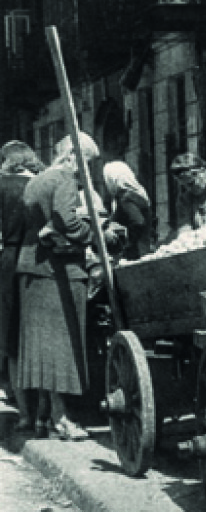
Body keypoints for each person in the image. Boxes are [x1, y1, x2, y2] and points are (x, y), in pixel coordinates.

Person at [15, 133, 117, 440]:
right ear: (73, 156)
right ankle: (62, 419)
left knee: (43, 347)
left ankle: (44, 415)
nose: (86, 170)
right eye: (86, 163)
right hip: (58, 271)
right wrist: (98, 236)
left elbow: (41, 221)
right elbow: (67, 220)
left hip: (32, 266)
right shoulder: (64, 180)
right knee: (63, 345)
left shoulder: (36, 180)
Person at [0, 141, 43, 432]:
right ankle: (44, 413)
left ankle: (24, 412)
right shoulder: (43, 183)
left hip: (9, 259)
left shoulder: (2, 186)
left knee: (11, 337)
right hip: (40, 260)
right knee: (38, 336)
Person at [102, 161, 154, 261]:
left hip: (136, 253)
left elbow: (138, 222)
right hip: (145, 248)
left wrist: (129, 243)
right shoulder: (139, 194)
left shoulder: (126, 198)